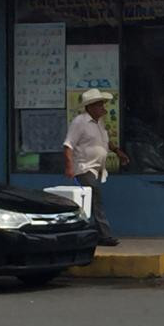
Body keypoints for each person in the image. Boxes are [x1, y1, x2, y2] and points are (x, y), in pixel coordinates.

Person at [64, 89, 129, 246]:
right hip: (84, 167)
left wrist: (118, 152)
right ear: (91, 107)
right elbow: (68, 145)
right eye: (100, 105)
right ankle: (104, 235)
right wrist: (69, 167)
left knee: (91, 201)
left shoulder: (99, 123)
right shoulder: (80, 122)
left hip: (96, 169)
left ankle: (91, 233)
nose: (103, 107)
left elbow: (105, 142)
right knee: (95, 199)